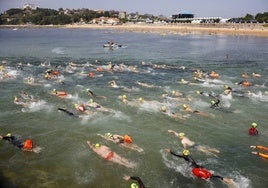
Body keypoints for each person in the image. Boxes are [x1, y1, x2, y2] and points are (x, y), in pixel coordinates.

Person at [165, 148, 235, 187]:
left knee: (208, 177)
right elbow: (194, 163)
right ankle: (226, 180)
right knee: (210, 175)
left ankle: (227, 180)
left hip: (196, 170)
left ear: (184, 154)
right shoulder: (190, 156)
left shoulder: (185, 157)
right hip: (198, 167)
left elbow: (177, 155)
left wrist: (170, 151)